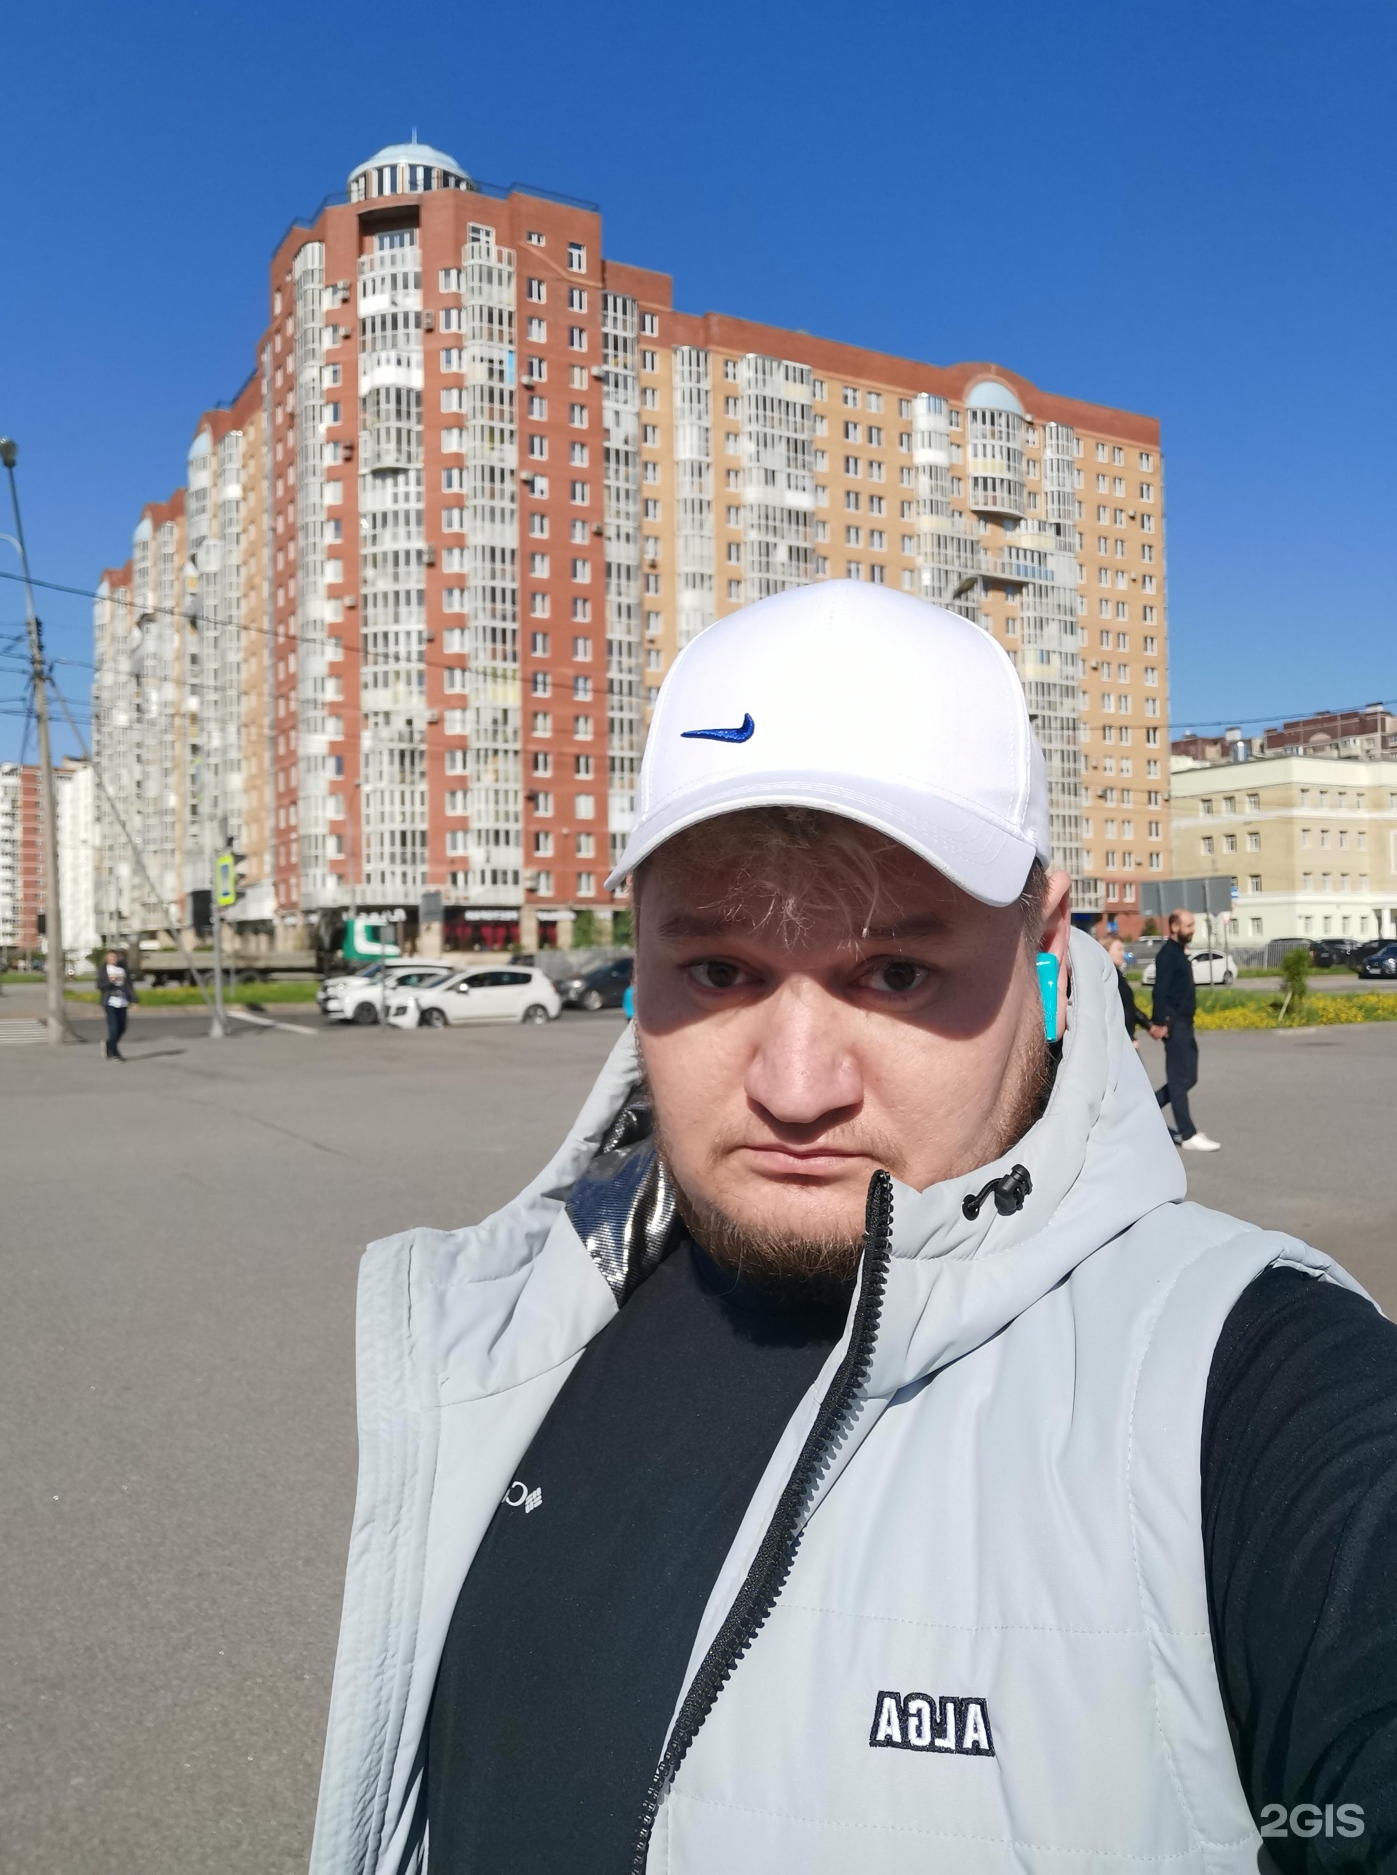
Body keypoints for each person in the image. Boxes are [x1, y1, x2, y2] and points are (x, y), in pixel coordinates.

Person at [309, 583, 1397, 1875]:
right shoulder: (520, 1330)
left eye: (895, 973)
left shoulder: (1248, 1387)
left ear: (1048, 946)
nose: (796, 1087)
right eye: (720, 970)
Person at [1149, 909, 1219, 1151]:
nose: (1192, 930)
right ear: (1174, 927)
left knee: (1189, 1077)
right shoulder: (1167, 954)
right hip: (1174, 1024)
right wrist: (1161, 1023)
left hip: (1186, 1023)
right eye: (1188, 925)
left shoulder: (1179, 953)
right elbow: (1160, 991)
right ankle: (1188, 1134)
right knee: (1179, 1079)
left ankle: (1146, 1109)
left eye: (1192, 925)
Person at [1107, 935, 1150, 1040]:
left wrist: (1147, 1024)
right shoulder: (1108, 978)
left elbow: (1129, 1007)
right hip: (1119, 1038)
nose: (1123, 953)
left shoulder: (1117, 974)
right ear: (1106, 951)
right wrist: (1128, 1038)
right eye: (1119, 949)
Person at [95, 947, 135, 1059]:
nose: (112, 959)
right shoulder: (103, 970)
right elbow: (99, 986)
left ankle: (109, 1044)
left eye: (114, 957)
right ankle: (113, 1052)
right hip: (110, 1002)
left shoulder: (122, 969)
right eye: (110, 957)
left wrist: (134, 1000)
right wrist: (110, 981)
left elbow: (129, 986)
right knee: (114, 1028)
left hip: (122, 1002)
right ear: (106, 958)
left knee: (122, 1027)